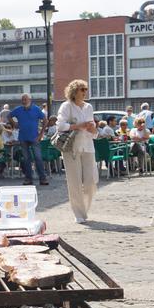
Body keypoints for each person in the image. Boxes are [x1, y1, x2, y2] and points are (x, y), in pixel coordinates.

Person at [57, 80, 97, 223]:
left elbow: (93, 129)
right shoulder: (66, 106)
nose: (84, 91)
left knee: (91, 181)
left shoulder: (89, 107)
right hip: (71, 147)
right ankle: (79, 214)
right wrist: (78, 126)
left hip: (88, 145)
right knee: (74, 181)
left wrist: (93, 129)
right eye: (82, 89)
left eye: (85, 89)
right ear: (74, 91)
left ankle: (84, 209)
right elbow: (60, 125)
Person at [9, 94, 48, 186]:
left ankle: (43, 178)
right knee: (26, 159)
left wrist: (41, 134)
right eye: (22, 99)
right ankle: (28, 179)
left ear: (30, 100)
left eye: (25, 99)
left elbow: (45, 120)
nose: (24, 101)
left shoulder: (36, 109)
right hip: (23, 138)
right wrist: (14, 123)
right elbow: (9, 116)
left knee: (38, 158)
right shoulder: (18, 109)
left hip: (34, 137)